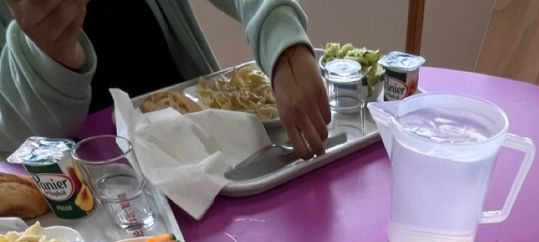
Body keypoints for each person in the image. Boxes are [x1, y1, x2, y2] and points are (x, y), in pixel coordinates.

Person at [0, 0, 331, 159]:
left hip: (204, 157)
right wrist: (48, 57)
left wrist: (282, 38)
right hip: (80, 205)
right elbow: (13, 138)